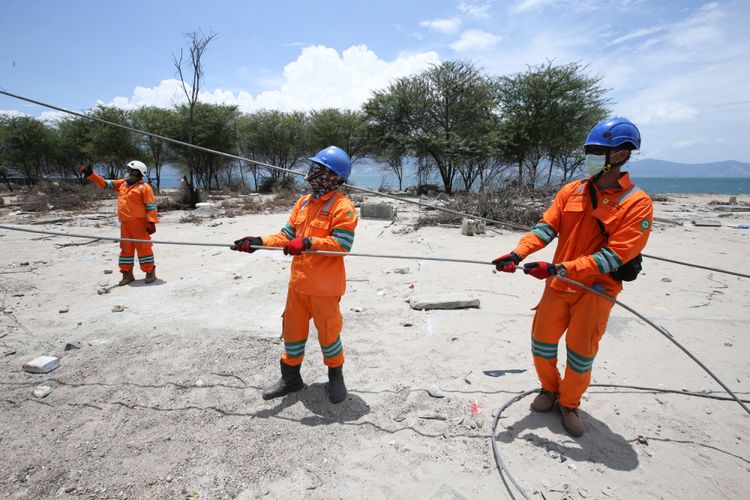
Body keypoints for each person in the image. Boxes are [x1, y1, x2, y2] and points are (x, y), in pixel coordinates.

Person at [493, 117, 653, 437]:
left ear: (620, 155)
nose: (589, 156)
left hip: (596, 290)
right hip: (559, 285)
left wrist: (557, 268)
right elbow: (545, 228)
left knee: (581, 353)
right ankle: (549, 390)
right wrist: (518, 254)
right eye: (589, 150)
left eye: (596, 150)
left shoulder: (637, 204)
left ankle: (568, 402)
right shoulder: (572, 191)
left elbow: (614, 256)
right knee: (542, 342)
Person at [233, 146, 359, 404]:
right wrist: (257, 242)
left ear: (331, 175)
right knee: (292, 332)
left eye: (318, 169)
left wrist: (308, 242)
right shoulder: (303, 202)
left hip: (325, 288)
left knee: (328, 334)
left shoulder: (343, 207)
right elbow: (286, 236)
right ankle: (290, 379)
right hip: (299, 285)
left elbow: (342, 245)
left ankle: (336, 377)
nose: (311, 173)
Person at [81, 160, 159, 286]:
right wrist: (91, 174)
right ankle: (127, 274)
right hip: (125, 224)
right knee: (126, 249)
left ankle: (150, 271)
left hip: (139, 224)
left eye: (129, 170)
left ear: (136, 173)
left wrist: (151, 222)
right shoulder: (122, 184)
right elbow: (105, 184)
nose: (126, 172)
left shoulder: (145, 188)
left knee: (143, 248)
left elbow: (151, 206)